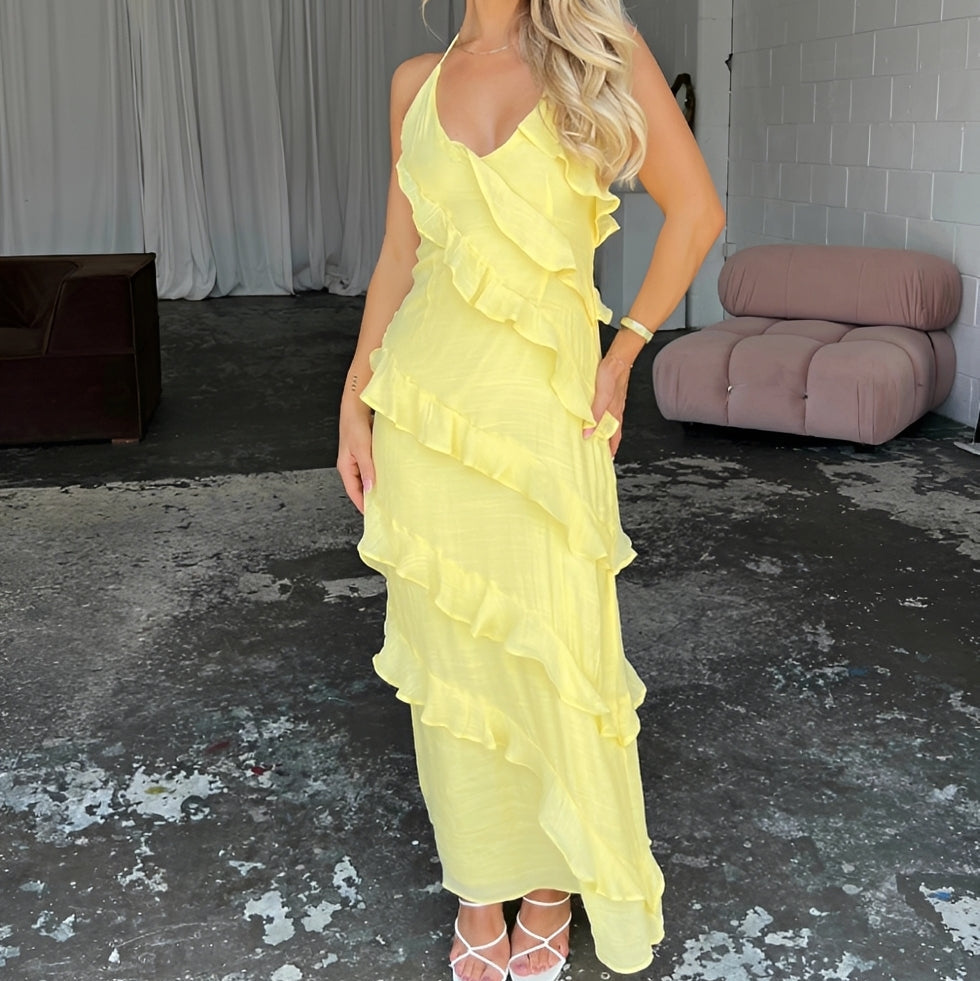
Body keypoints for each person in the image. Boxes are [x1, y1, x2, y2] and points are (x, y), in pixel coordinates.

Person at [338, 1, 724, 978]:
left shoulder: (598, 53)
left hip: (547, 419)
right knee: (451, 666)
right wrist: (354, 399)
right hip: (425, 413)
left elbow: (697, 212)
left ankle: (549, 884)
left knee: (559, 654)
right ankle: (478, 886)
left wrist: (624, 351)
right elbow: (400, 255)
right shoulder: (414, 83)